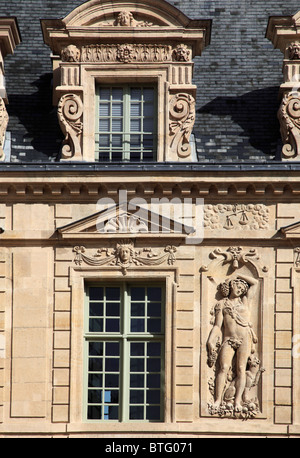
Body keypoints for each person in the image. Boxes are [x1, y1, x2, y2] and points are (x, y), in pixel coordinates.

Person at [207, 274, 258, 412]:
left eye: (242, 289)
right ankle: (218, 400)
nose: (240, 290)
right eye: (238, 286)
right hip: (228, 339)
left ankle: (237, 401)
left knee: (241, 369)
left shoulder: (245, 301)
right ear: (232, 285)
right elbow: (218, 326)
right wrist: (211, 340)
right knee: (223, 367)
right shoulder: (222, 304)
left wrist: (240, 275)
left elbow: (254, 283)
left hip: (245, 339)